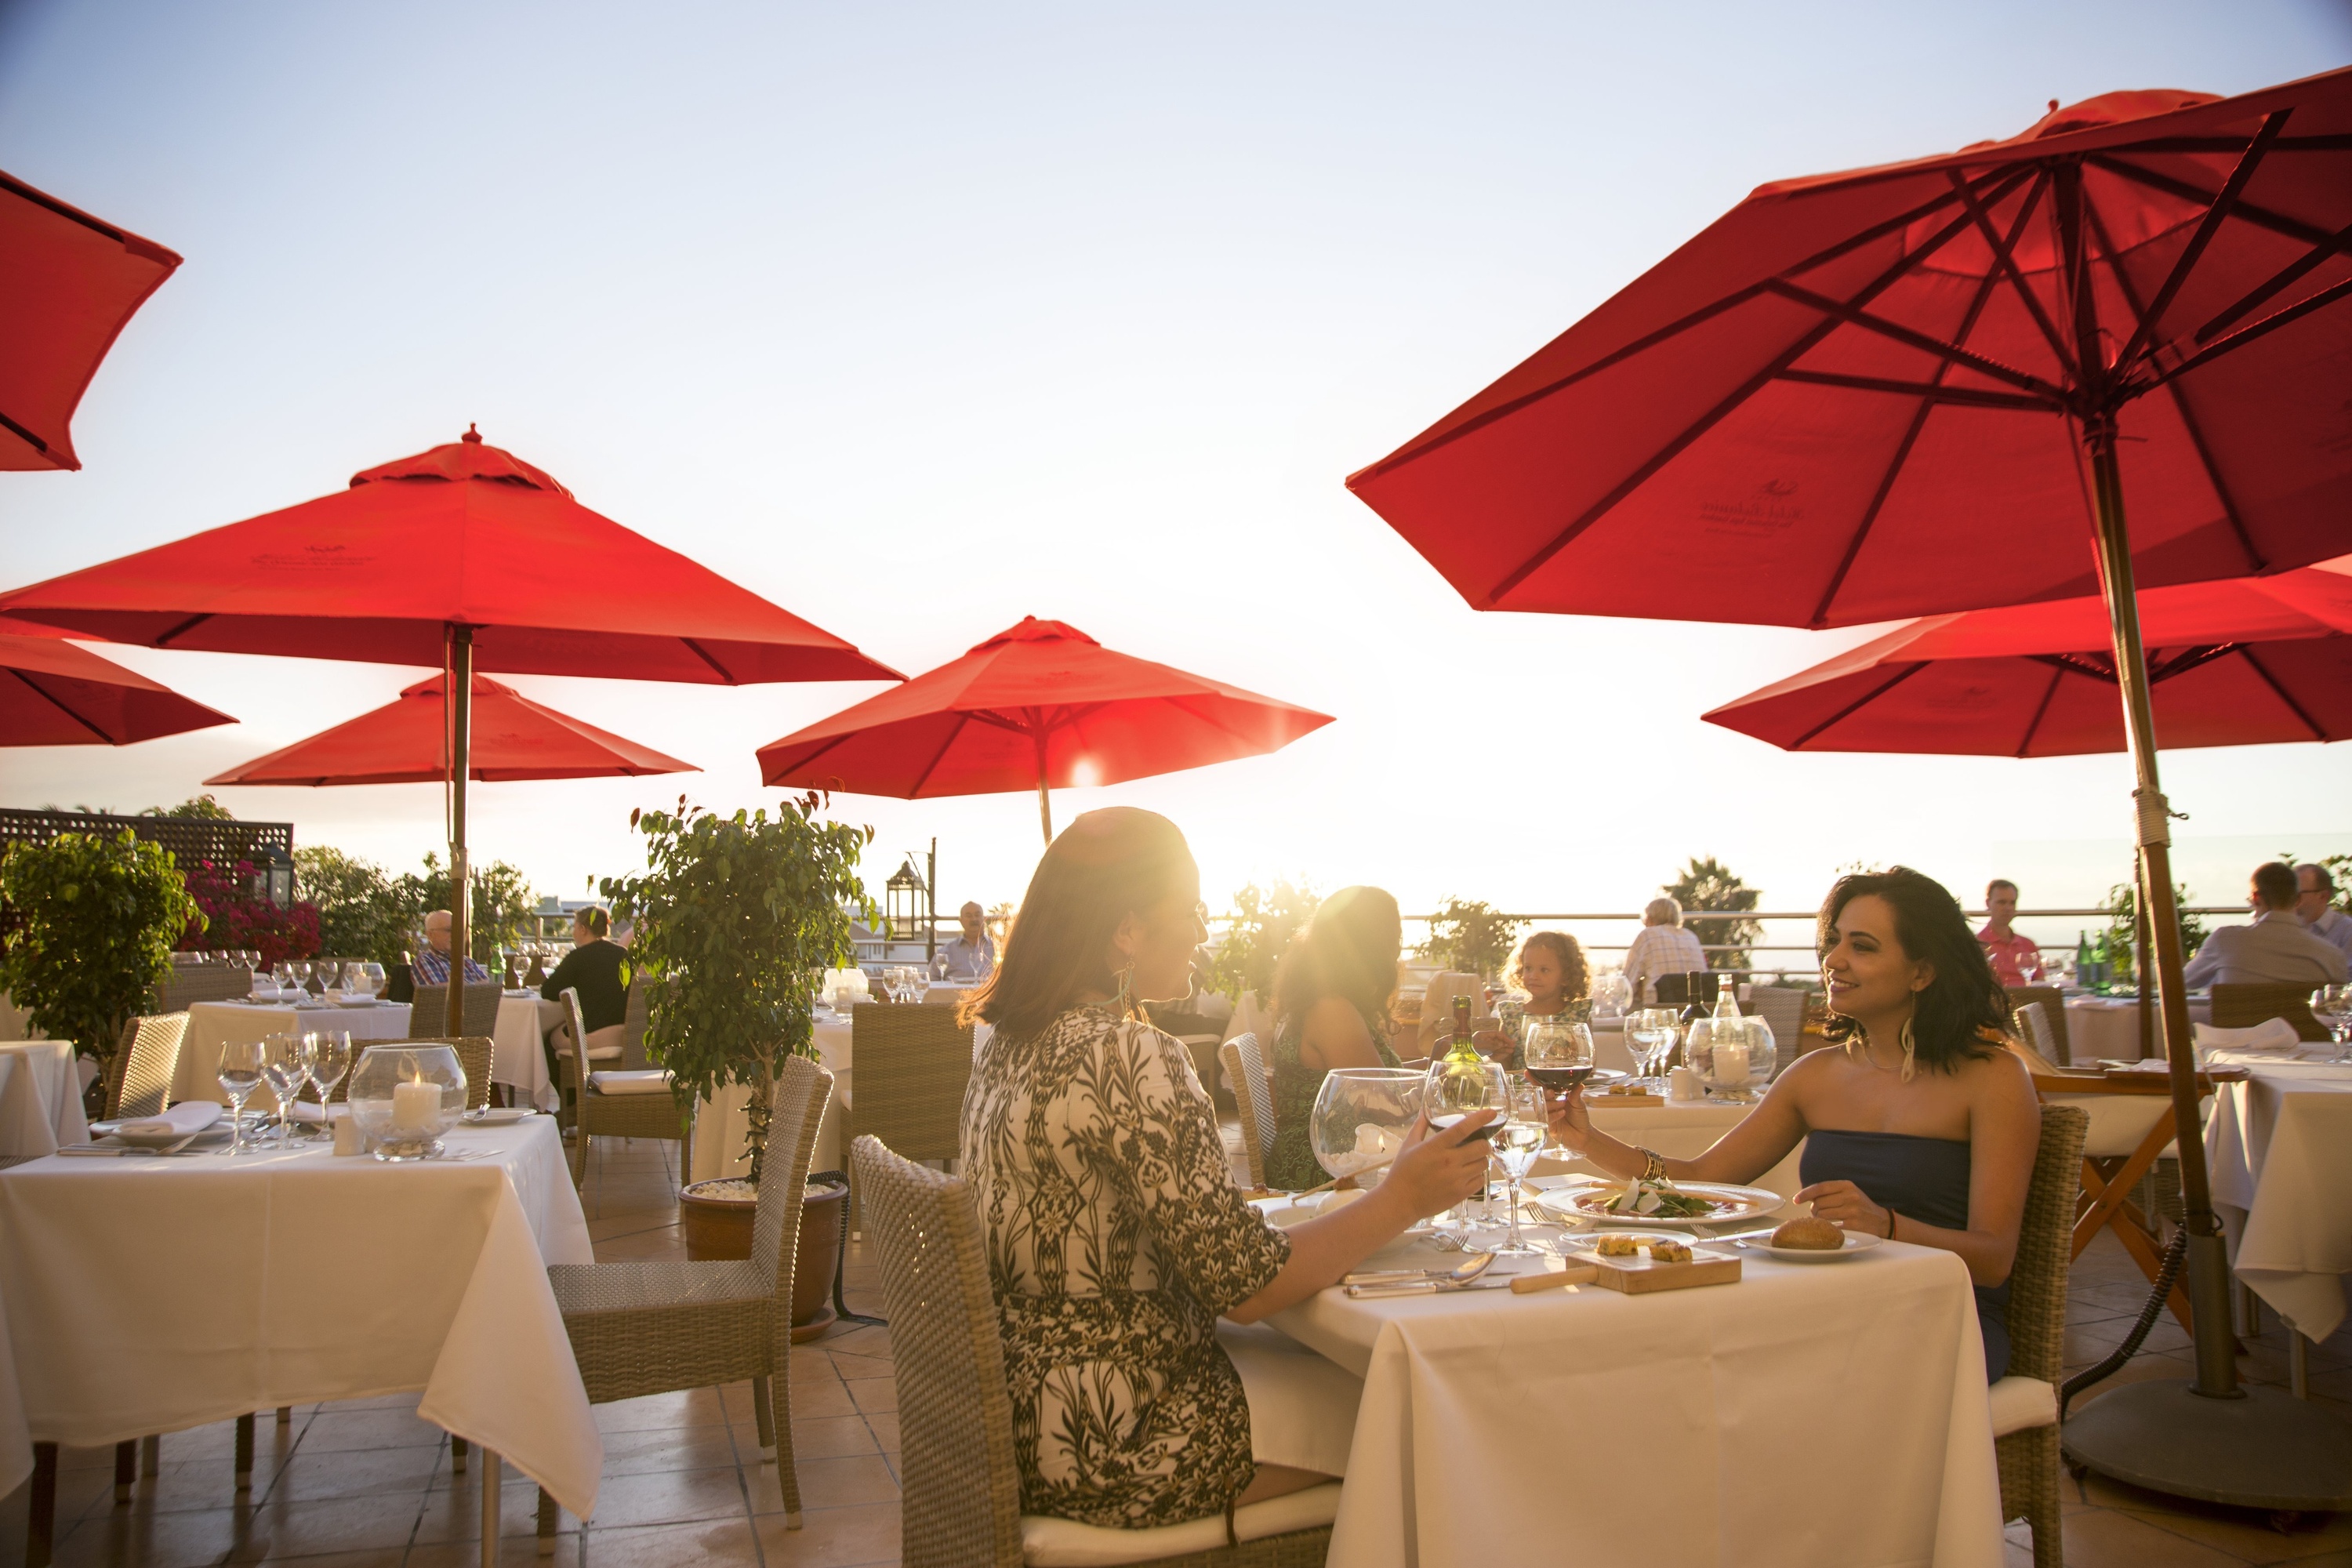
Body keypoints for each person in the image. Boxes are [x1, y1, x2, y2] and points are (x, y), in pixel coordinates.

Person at [960, 810, 1489, 1530]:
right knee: (1426, 1406)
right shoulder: (1130, 1055)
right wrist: (1403, 1199)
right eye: (1193, 911)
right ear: (1128, 930)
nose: (1203, 934)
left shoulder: (1005, 1044)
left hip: (1022, 1417)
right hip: (1120, 1436)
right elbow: (1246, 1286)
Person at [1548, 866, 2041, 1380]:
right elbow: (1700, 1180)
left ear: (1922, 972)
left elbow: (1994, 1260)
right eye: (1834, 941)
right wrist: (1588, 1141)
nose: (1834, 959)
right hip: (1830, 1307)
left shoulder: (1994, 1078)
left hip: (1944, 1316)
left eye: (1863, 946)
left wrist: (1890, 1226)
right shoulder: (1815, 1075)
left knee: (1763, 1372)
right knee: (1667, 1350)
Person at [1265, 886, 1409, 1192]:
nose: (1398, 951)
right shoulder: (1332, 1011)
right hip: (1328, 1170)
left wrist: (1437, 1065)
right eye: (1395, 938)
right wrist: (1445, 1091)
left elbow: (1378, 1082)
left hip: (1332, 1159)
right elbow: (1385, 1104)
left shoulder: (1321, 1000)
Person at [2183, 862, 2348, 987]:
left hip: (2242, 1024)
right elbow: (2341, 1004)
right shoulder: (2332, 955)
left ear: (2256, 898)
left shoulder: (2225, 940)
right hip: (2302, 1025)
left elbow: (2184, 982)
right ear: (2297, 900)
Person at [1485, 931, 1592, 1065]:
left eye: (1544, 970)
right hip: (1522, 1079)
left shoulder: (1578, 1015)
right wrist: (1497, 1056)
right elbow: (1505, 1066)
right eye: (1528, 968)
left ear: (1566, 975)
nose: (1533, 976)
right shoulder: (1512, 1016)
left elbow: (1588, 1061)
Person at [539, 906, 631, 1034]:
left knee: (547, 1034)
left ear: (583, 929)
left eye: (574, 927)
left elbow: (548, 991)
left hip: (589, 1033)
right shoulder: (624, 954)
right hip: (624, 1034)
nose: (573, 933)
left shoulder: (578, 957)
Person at [1623, 896, 1705, 1004]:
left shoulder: (1647, 935)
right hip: (1696, 1004)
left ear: (1650, 918)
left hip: (1661, 1006)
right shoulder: (1691, 936)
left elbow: (1626, 984)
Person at [1976, 879, 2042, 986]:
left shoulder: (2028, 944)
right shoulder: (1978, 945)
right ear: (1988, 904)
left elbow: (2041, 982)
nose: (2008, 908)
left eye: (2012, 903)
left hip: (2029, 995)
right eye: (2001, 902)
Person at [412, 909, 490, 986]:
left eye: (457, 929)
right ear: (430, 935)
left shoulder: (467, 961)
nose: (455, 934)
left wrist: (464, 985)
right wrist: (474, 985)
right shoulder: (425, 960)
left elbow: (488, 986)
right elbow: (440, 991)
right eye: (449, 930)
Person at [2296, 863, 2352, 965]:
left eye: (2297, 895)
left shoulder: (2347, 931)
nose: (2290, 900)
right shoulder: (2286, 929)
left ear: (2323, 896)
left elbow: (2347, 974)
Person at [938, 900, 996, 982]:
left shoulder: (997, 948)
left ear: (984, 918)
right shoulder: (947, 950)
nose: (974, 919)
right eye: (969, 916)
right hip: (954, 990)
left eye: (977, 915)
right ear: (961, 921)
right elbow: (931, 979)